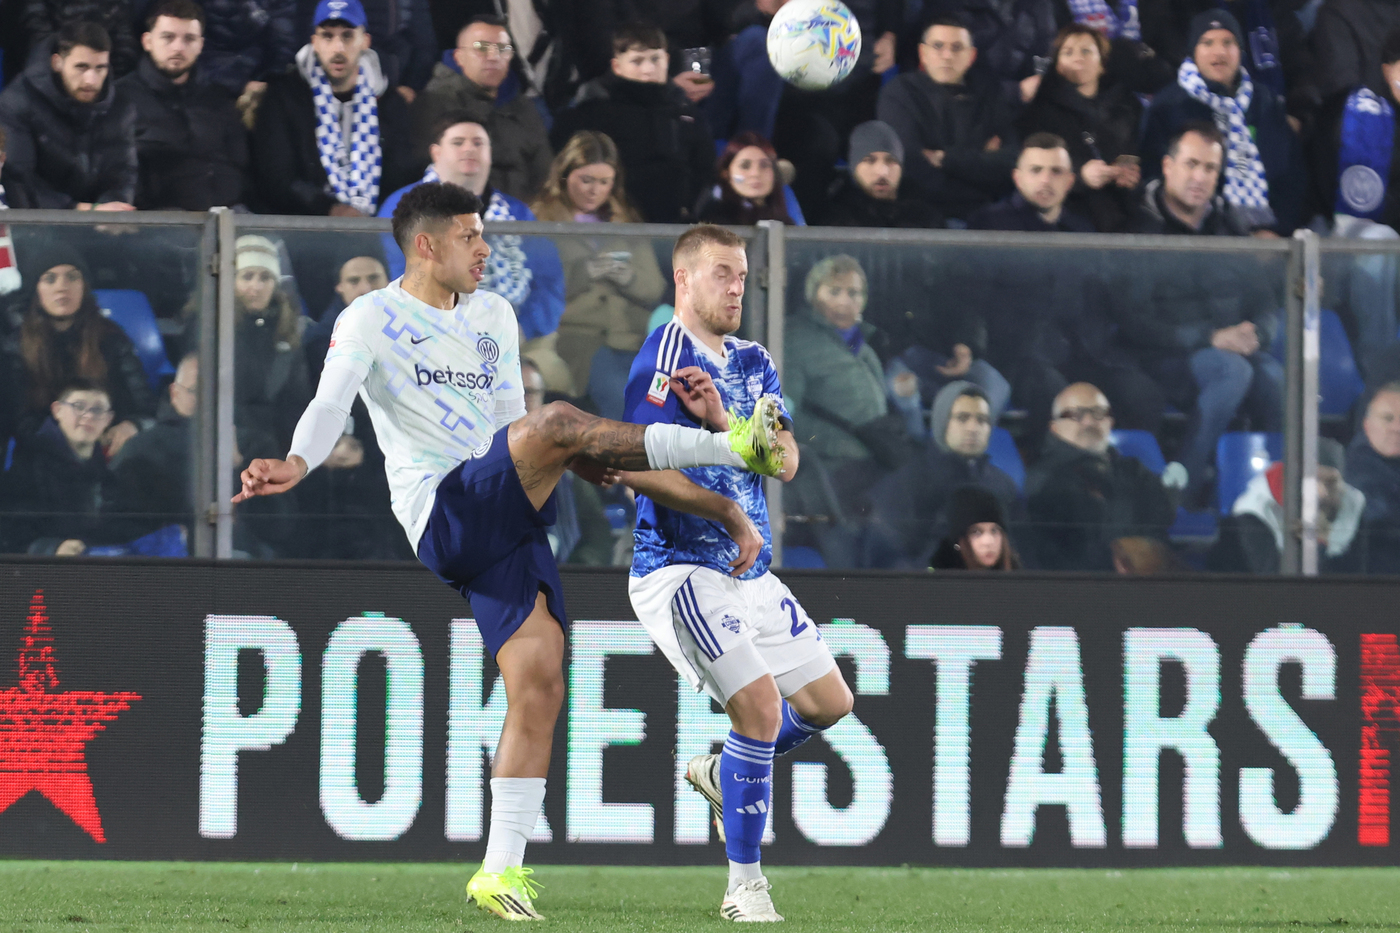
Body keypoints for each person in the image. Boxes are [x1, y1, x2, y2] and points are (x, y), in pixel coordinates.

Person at [230, 182, 788, 920]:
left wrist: (586, 459)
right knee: (557, 415)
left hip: (506, 516)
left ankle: (498, 871)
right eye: (471, 236)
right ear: (425, 245)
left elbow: (507, 428)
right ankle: (732, 439)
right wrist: (298, 462)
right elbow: (333, 400)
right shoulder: (371, 316)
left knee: (540, 675)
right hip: (445, 509)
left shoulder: (494, 314)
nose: (486, 248)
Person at [622, 224, 853, 923]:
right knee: (755, 707)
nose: (735, 287)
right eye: (721, 273)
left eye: (743, 276)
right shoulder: (665, 354)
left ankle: (726, 770)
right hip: (680, 568)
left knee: (828, 703)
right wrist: (728, 511)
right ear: (683, 279)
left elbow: (784, 459)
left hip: (747, 570)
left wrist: (727, 419)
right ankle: (744, 886)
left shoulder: (754, 360)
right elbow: (634, 467)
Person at [1122, 123, 1282, 503]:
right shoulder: (1139, 228)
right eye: (1192, 164)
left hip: (1226, 356)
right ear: (1167, 165)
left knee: (1276, 377)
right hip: (1163, 361)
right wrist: (1209, 337)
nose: (1200, 177)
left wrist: (1258, 333)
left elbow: (1265, 301)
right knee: (1234, 369)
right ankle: (1180, 486)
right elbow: (1133, 320)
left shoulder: (1230, 226)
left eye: (1210, 168)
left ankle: (1273, 498)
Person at [378, 112, 566, 380]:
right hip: (428, 337)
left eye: (478, 143)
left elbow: (550, 284)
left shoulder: (517, 212)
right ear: (436, 153)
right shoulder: (404, 207)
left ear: (490, 153)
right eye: (458, 142)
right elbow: (401, 281)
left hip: (517, 338)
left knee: (552, 377)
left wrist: (521, 329)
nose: (469, 148)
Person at [783, 255, 905, 568]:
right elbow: (785, 410)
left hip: (876, 461)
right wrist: (832, 443)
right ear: (813, 295)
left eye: (853, 293)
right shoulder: (795, 339)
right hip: (830, 467)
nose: (844, 301)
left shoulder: (864, 343)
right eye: (833, 291)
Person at [1139, 8, 1304, 234]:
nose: (1219, 52)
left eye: (1228, 42)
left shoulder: (1266, 103)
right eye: (1207, 43)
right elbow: (1153, 177)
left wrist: (1277, 229)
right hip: (1195, 234)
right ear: (1193, 52)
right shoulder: (1167, 105)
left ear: (1240, 50)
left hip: (1270, 236)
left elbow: (1292, 176)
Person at [529, 130, 666, 401]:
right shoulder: (539, 221)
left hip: (631, 340)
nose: (595, 190)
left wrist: (628, 278)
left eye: (604, 182)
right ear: (565, 175)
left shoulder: (626, 221)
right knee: (620, 394)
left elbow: (654, 290)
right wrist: (585, 272)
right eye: (586, 180)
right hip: (575, 339)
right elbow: (533, 289)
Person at [250, 0, 416, 216]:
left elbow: (399, 176)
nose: (338, 48)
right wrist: (328, 208)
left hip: (375, 227)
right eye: (328, 36)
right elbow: (276, 178)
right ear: (314, 42)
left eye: (347, 36)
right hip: (301, 225)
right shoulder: (283, 96)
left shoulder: (390, 103)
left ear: (365, 41)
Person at [551, 21, 714, 224]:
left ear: (667, 60)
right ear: (617, 66)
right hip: (613, 226)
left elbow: (705, 171)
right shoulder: (590, 115)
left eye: (655, 59)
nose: (648, 69)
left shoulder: (687, 115)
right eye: (637, 61)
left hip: (675, 227)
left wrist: (690, 211)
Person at [5, 243, 154, 453]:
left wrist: (133, 425)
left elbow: (146, 406)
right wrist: (68, 440)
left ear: (84, 285)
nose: (62, 286)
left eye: (72, 277)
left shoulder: (111, 337)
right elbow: (18, 420)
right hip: (43, 455)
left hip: (106, 449)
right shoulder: (16, 345)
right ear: (36, 289)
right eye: (50, 278)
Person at [877, 17, 1019, 222]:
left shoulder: (990, 93)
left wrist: (945, 158)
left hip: (985, 218)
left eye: (957, 47)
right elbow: (910, 167)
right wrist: (979, 160)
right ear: (922, 53)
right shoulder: (899, 93)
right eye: (938, 46)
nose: (947, 55)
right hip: (918, 218)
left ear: (971, 56)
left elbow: (1010, 163)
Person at [867, 381, 1020, 569]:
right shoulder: (909, 482)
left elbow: (1020, 554)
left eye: (982, 420)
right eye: (962, 418)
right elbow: (889, 556)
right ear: (941, 421)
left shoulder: (1002, 485)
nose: (973, 428)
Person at [1024, 382, 1176, 571]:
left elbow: (1159, 525)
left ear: (1110, 421)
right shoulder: (1043, 480)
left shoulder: (1134, 470)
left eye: (1098, 413)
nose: (1088, 422)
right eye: (1075, 415)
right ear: (1054, 427)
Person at [118, 0, 249, 211]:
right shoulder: (121, 98)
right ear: (147, 41)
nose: (178, 47)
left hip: (230, 215)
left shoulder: (218, 98)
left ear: (201, 45)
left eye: (189, 39)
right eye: (168, 37)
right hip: (158, 223)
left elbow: (240, 164)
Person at [409, 15, 553, 201]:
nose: (493, 57)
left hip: (522, 218)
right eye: (481, 48)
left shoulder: (524, 108)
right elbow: (425, 170)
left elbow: (545, 173)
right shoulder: (434, 103)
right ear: (458, 57)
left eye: (502, 49)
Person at [1017, 24, 1143, 232]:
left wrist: (1130, 176)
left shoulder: (1126, 106)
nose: (1078, 58)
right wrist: (1081, 175)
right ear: (1057, 64)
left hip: (1121, 211)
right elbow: (1032, 162)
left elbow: (1140, 152)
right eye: (1068, 52)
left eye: (1086, 51)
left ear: (1102, 64)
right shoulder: (1042, 109)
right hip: (1067, 213)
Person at [0, 21, 137, 211]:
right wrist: (81, 210)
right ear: (57, 62)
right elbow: (18, 179)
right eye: (81, 67)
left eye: (100, 68)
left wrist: (112, 209)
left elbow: (123, 174)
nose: (91, 80)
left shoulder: (121, 107)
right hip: (38, 227)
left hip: (102, 224)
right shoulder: (18, 102)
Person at [1208, 438, 1368, 573]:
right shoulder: (1253, 514)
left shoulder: (1351, 503)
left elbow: (1354, 575)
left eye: (1331, 482)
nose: (1325, 492)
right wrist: (1316, 540)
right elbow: (1280, 583)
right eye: (1318, 480)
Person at [0, 378, 119, 555]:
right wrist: (51, 548)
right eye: (79, 406)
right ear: (57, 411)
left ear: (108, 419)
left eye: (97, 410)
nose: (88, 416)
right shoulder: (29, 461)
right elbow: (12, 532)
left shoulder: (107, 469)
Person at [521, 357, 612, 566]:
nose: (523, 400)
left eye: (530, 393)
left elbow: (596, 528)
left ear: (542, 399)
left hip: (567, 574)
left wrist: (580, 570)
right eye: (516, 392)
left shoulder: (566, 457)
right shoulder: (483, 458)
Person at [231, 235, 312, 451]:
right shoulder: (209, 324)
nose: (255, 286)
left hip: (275, 441)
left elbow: (296, 399)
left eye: (265, 277)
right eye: (247, 276)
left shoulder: (286, 329)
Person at [914, 0, 1059, 108]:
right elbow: (943, 82)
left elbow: (1047, 52)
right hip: (964, 111)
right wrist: (1015, 91)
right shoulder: (948, 7)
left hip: (1025, 110)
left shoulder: (1040, 5)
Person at [817, 119, 944, 228]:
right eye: (870, 161)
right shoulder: (836, 220)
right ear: (854, 168)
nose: (882, 172)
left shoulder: (926, 217)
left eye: (891, 161)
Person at [969, 132, 1096, 231]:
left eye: (1056, 171)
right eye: (1036, 170)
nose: (1046, 180)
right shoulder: (988, 225)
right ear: (1017, 178)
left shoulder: (1081, 231)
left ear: (1070, 181)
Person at [192, 0, 299, 103]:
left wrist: (269, 85)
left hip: (263, 81)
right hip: (213, 82)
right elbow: (188, 51)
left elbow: (283, 43)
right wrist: (240, 84)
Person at [1347, 383, 1400, 573]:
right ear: (1367, 425)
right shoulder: (1360, 467)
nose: (1397, 428)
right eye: (1388, 418)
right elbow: (1377, 518)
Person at [697, 132, 798, 226]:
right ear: (726, 173)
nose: (755, 173)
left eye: (764, 165)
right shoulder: (712, 222)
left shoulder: (785, 223)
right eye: (745, 166)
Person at [22, 0, 140, 78]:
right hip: (54, 77)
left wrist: (104, 80)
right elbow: (41, 42)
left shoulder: (118, 6)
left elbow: (125, 48)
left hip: (106, 79)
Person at [929, 484, 1021, 570]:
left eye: (994, 530)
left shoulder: (1020, 581)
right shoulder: (937, 581)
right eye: (976, 532)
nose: (988, 542)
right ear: (961, 540)